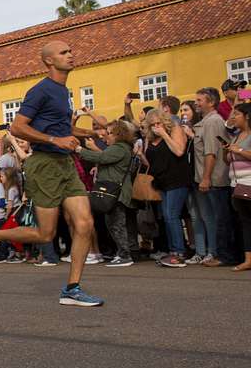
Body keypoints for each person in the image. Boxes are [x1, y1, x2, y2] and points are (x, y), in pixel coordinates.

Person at [0, 39, 104, 307]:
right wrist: (55, 141)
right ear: (49, 61)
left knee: (85, 223)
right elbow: (18, 127)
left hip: (65, 164)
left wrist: (90, 132)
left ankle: (72, 288)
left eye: (71, 50)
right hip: (44, 164)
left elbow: (61, 127)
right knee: (45, 234)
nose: (71, 54)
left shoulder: (61, 91)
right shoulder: (41, 90)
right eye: (64, 52)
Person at [78, 120, 138, 267]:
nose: (106, 136)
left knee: (116, 224)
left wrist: (80, 150)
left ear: (119, 134)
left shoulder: (119, 148)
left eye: (110, 133)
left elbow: (101, 157)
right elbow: (104, 156)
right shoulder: (121, 147)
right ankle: (126, 252)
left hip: (116, 192)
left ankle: (125, 255)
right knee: (119, 224)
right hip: (116, 191)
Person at [192, 87, 236, 266]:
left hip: (215, 179)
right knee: (215, 218)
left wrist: (206, 178)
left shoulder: (212, 122)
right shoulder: (205, 121)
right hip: (209, 177)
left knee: (221, 219)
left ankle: (224, 255)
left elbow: (211, 152)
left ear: (211, 102)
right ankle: (219, 253)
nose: (196, 103)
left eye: (199, 100)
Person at [142, 110, 191, 268]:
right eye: (153, 125)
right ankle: (173, 251)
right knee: (166, 217)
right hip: (161, 182)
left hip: (177, 180)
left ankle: (179, 252)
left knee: (172, 215)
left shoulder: (175, 129)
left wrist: (164, 134)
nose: (156, 127)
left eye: (159, 123)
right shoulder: (150, 138)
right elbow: (150, 162)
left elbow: (179, 151)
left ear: (164, 121)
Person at [224, 103, 251, 271]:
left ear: (247, 116)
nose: (233, 117)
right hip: (236, 183)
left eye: (237, 114)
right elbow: (228, 160)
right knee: (245, 222)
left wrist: (239, 150)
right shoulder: (237, 135)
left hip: (249, 181)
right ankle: (248, 259)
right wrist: (227, 151)